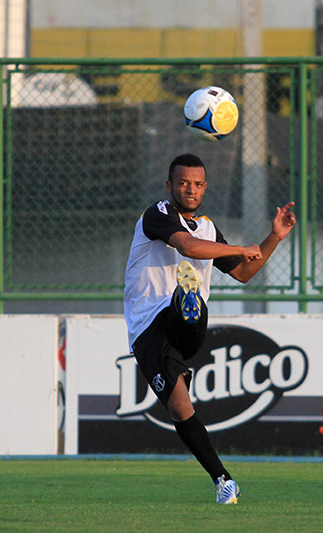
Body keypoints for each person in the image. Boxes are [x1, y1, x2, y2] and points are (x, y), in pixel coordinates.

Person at [123, 153, 296, 504]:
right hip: (147, 329)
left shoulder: (207, 228)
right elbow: (187, 246)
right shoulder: (156, 214)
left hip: (180, 324)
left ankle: (187, 304)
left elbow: (244, 272)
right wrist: (238, 248)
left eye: (198, 184)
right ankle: (223, 481)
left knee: (187, 307)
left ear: (205, 188)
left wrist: (274, 237)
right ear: (169, 185)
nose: (190, 189)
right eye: (183, 183)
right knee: (177, 405)